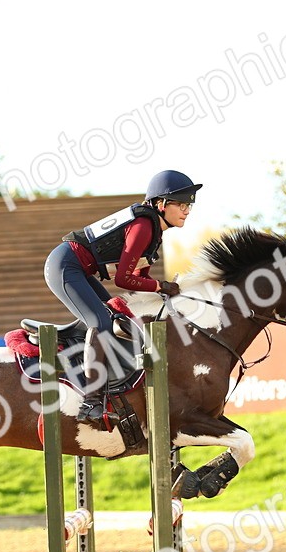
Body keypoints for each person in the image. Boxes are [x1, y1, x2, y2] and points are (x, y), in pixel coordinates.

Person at [45, 169, 197, 426]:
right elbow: (123, 280)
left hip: (76, 268)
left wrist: (162, 290)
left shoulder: (153, 230)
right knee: (101, 323)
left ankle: (101, 382)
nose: (186, 210)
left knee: (115, 317)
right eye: (181, 204)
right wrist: (161, 285)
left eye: (189, 205)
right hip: (65, 266)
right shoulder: (143, 227)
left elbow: (137, 276)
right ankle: (91, 402)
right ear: (160, 204)